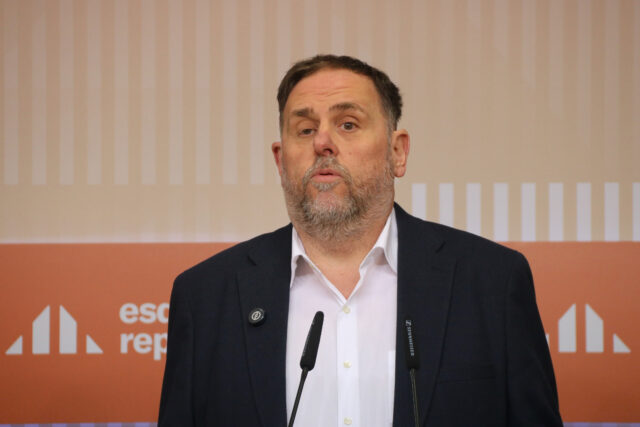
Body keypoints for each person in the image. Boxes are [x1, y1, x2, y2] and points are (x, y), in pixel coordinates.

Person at [158, 55, 562, 426]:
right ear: (281, 161)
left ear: (397, 152)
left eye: (348, 124)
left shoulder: (492, 282)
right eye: (305, 129)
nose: (322, 142)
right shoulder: (205, 296)